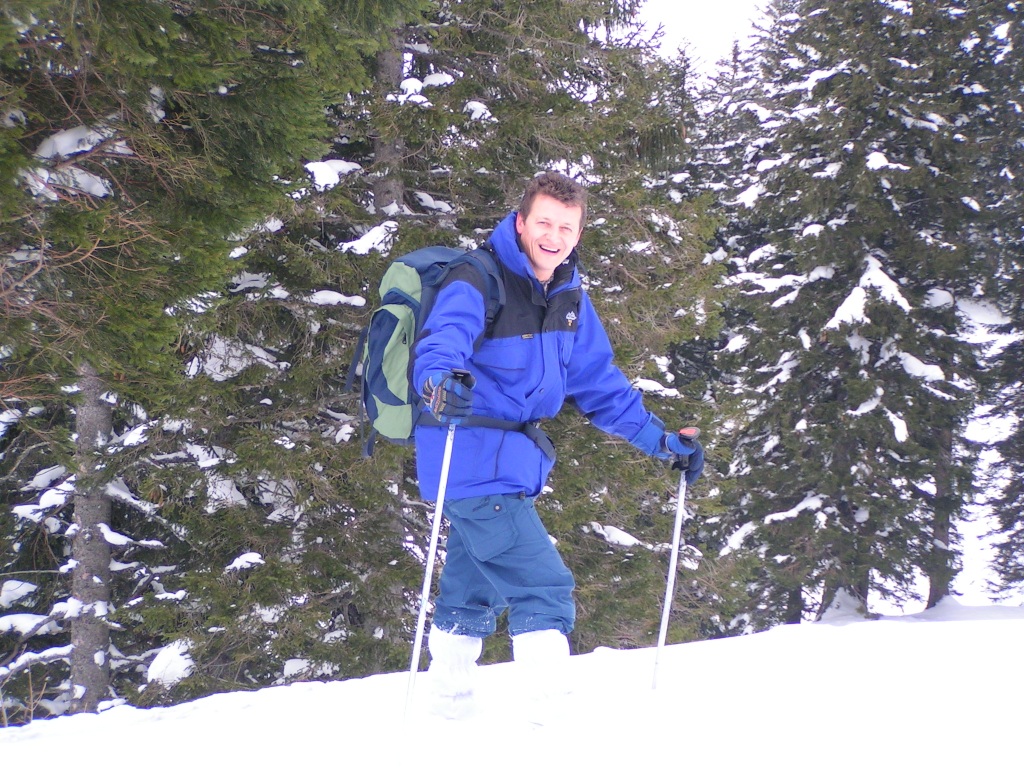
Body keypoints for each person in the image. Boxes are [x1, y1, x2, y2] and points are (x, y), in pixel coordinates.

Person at [412, 171, 704, 712]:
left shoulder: (568, 297)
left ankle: (447, 702)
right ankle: (551, 717)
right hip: (469, 456)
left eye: (566, 227)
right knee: (542, 588)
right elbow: (441, 342)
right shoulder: (477, 279)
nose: (554, 236)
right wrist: (438, 383)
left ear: (579, 233)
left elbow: (598, 383)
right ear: (521, 223)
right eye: (544, 222)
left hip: (510, 465)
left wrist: (661, 441)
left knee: (470, 588)